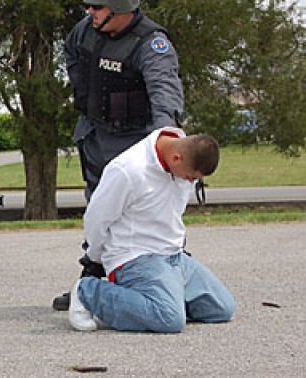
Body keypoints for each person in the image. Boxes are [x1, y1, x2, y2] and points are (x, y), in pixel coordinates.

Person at [53, 0, 184, 311]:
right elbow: (70, 52)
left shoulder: (150, 43)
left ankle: (167, 280)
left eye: (98, 8)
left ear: (120, 7)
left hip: (134, 140)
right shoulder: (85, 30)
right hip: (96, 134)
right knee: (99, 207)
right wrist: (82, 91)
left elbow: (164, 92)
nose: (90, 13)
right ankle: (93, 278)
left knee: (146, 215)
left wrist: (163, 141)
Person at [68, 127, 236, 333]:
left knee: (222, 308)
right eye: (191, 177)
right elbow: (97, 218)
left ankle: (160, 301)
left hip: (173, 256)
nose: (192, 182)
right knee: (170, 320)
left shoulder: (184, 157)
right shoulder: (128, 170)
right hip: (135, 257)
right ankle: (88, 292)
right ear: (176, 158)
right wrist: (95, 258)